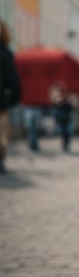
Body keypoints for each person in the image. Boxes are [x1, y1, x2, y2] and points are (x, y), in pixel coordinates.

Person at [0, 21, 21, 173]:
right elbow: (13, 79)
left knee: (2, 132)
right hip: (2, 101)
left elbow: (13, 78)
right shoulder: (6, 53)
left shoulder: (5, 53)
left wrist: (12, 97)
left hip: (1, 102)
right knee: (1, 133)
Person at [50, 82, 74, 152]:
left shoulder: (67, 94)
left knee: (69, 131)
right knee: (64, 131)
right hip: (61, 116)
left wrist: (70, 100)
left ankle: (66, 144)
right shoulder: (55, 94)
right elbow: (54, 103)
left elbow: (72, 105)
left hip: (67, 115)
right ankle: (65, 145)